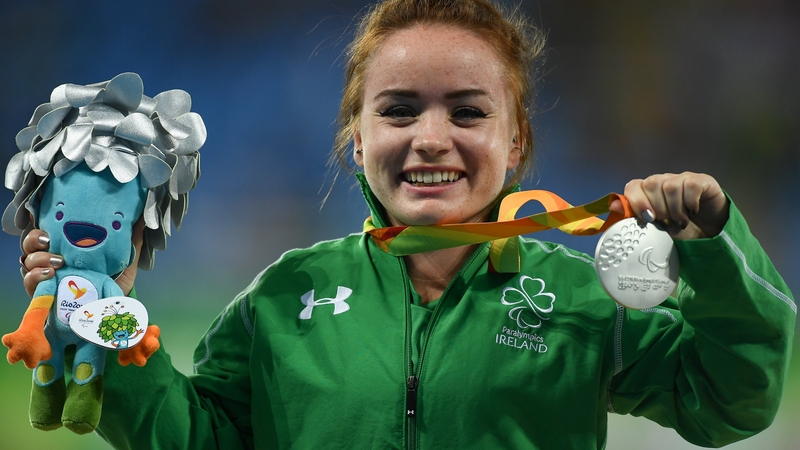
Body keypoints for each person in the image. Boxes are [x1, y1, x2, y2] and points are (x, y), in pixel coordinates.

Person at [14, 0, 795, 448]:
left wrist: (713, 248)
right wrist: (108, 320)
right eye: (398, 110)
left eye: (467, 112)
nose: (430, 137)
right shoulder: (285, 298)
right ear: (358, 141)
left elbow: (731, 397)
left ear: (514, 141)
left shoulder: (580, 301)